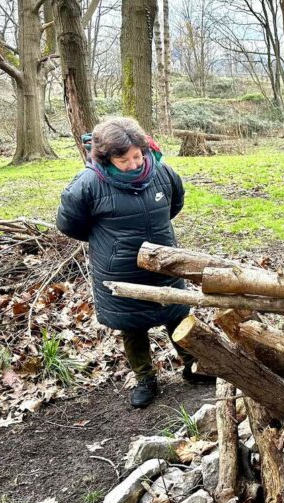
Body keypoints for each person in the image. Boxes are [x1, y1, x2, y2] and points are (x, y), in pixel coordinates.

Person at [56, 117, 210, 409]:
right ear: (106, 157)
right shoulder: (88, 184)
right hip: (120, 268)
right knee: (132, 325)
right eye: (123, 160)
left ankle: (193, 366)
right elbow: (70, 224)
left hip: (165, 261)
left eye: (137, 156)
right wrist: (112, 244)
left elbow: (174, 204)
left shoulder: (163, 172)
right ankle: (145, 378)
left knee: (176, 312)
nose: (133, 164)